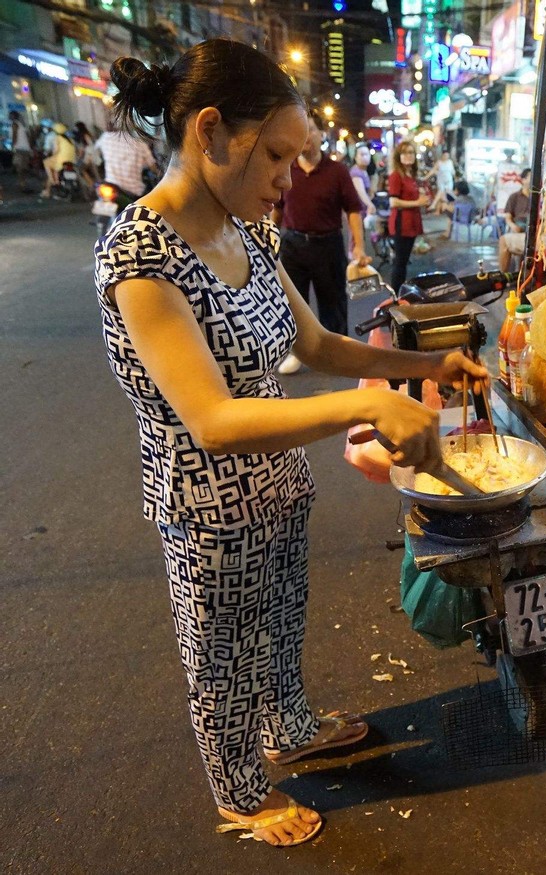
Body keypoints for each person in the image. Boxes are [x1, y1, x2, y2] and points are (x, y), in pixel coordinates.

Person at [94, 38, 487, 848]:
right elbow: (211, 418)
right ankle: (239, 790)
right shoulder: (139, 257)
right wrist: (367, 411)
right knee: (222, 662)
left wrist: (424, 362)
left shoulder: (253, 236)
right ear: (211, 132)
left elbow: (318, 348)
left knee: (278, 626)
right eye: (277, 154)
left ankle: (289, 726)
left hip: (277, 488)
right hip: (206, 510)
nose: (290, 177)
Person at [271, 109, 369, 372]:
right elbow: (277, 209)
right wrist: (267, 240)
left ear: (320, 134)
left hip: (328, 244)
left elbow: (353, 210)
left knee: (333, 303)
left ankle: (337, 353)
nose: (305, 137)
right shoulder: (285, 169)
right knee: (293, 304)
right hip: (292, 245)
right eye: (298, 132)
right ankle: (298, 353)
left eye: (310, 130)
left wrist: (358, 245)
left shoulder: (337, 171)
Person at [387, 139, 430, 288]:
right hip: (401, 223)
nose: (408, 156)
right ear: (398, 156)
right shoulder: (396, 176)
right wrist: (417, 203)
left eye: (411, 152)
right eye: (404, 153)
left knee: (404, 262)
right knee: (400, 262)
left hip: (411, 222)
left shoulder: (411, 176)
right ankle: (395, 297)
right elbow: (393, 202)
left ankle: (399, 294)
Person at [96, 120, 159, 198]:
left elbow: (95, 150)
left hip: (110, 186)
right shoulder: (139, 144)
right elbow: (152, 166)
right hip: (133, 191)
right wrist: (159, 173)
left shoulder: (106, 137)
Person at [497, 167, 532, 272]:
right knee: (505, 239)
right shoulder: (514, 197)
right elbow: (508, 217)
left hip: (533, 231)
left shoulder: (540, 198)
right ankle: (504, 276)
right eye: (531, 177)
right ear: (523, 180)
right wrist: (513, 226)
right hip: (518, 228)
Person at [40, 121, 77, 198]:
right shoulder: (69, 139)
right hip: (72, 160)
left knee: (46, 162)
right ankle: (52, 185)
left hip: (61, 160)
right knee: (54, 169)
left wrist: (51, 154)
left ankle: (52, 180)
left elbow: (55, 150)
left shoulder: (57, 138)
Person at [8, 110, 34, 194]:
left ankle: (23, 185)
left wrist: (13, 146)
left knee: (19, 168)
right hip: (25, 148)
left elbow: (14, 136)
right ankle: (23, 184)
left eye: (10, 115)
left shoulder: (14, 124)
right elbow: (29, 136)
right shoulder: (22, 125)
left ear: (13, 116)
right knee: (22, 167)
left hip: (19, 149)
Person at [348, 144, 376, 218]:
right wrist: (370, 205)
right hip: (358, 212)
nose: (365, 157)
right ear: (355, 157)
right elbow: (361, 193)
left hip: (364, 210)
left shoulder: (364, 171)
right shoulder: (356, 173)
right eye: (362, 155)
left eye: (367, 154)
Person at [425, 148, 456, 216]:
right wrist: (426, 177)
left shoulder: (450, 162)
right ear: (442, 155)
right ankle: (437, 208)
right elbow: (432, 171)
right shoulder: (439, 163)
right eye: (445, 155)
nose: (446, 157)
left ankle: (435, 207)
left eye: (447, 155)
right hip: (441, 181)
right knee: (441, 192)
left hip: (449, 181)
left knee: (444, 194)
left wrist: (455, 175)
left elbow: (453, 171)